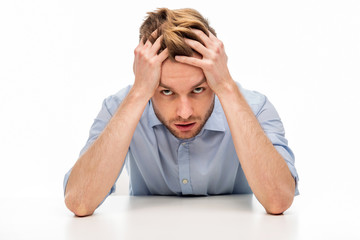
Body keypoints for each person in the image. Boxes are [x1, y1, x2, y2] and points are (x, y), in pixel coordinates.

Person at [63, 8, 299, 217]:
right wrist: (138, 93)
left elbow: (278, 200)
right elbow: (80, 202)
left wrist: (226, 87)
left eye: (198, 89)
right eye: (166, 92)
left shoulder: (255, 108)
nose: (184, 113)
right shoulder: (119, 108)